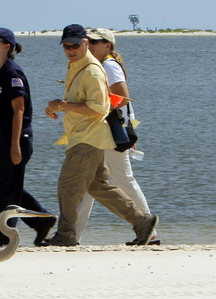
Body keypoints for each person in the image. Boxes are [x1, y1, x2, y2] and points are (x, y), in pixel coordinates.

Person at [44, 24, 158, 247]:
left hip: (89, 137)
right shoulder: (77, 66)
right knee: (100, 187)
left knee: (67, 187)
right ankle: (143, 223)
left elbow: (99, 108)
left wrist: (63, 105)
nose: (70, 49)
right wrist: (59, 107)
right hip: (87, 136)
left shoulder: (94, 70)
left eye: (75, 45)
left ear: (84, 44)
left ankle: (66, 235)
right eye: (66, 45)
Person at [0, 27, 56, 246]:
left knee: (4, 188)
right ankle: (42, 220)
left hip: (14, 140)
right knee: (6, 186)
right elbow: (3, 108)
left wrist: (15, 145)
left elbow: (19, 110)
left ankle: (1, 236)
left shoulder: (12, 72)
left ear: (7, 46)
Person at [76, 28, 159, 245]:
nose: (91, 45)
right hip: (103, 131)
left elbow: (123, 98)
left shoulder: (108, 65)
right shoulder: (102, 65)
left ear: (108, 45)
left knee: (120, 181)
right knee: (93, 182)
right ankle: (72, 234)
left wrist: (92, 105)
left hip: (109, 133)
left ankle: (149, 231)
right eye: (89, 41)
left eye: (96, 42)